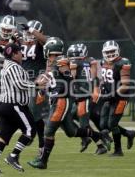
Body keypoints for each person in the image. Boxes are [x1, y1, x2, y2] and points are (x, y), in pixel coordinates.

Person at [28, 37, 111, 170]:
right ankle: (100, 135)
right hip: (58, 100)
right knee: (71, 132)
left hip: (62, 100)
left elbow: (69, 76)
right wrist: (41, 85)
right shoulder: (53, 62)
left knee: (48, 131)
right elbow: (49, 77)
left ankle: (43, 161)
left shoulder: (61, 62)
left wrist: (57, 80)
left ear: (49, 50)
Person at [0, 43, 47, 173]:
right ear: (14, 54)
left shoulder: (10, 65)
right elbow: (19, 84)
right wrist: (37, 84)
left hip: (5, 105)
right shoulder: (13, 67)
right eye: (19, 51)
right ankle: (13, 156)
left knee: (4, 135)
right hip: (14, 105)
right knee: (30, 130)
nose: (22, 54)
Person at [67, 43, 108, 155]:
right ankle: (89, 139)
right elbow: (94, 75)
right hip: (84, 95)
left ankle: (100, 141)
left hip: (84, 96)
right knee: (69, 116)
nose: (73, 57)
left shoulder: (76, 63)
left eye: (74, 55)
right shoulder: (90, 61)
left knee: (84, 124)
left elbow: (72, 76)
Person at [18, 20, 49, 164]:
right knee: (22, 110)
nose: (28, 35)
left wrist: (32, 30)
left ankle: (41, 143)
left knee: (34, 111)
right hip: (23, 81)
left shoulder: (43, 43)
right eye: (27, 33)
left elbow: (46, 40)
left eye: (31, 33)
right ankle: (32, 133)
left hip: (38, 81)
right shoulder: (21, 43)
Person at [99, 40, 135, 156]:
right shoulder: (103, 62)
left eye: (112, 51)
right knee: (103, 124)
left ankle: (118, 150)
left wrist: (111, 94)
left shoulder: (123, 63)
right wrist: (102, 87)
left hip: (121, 97)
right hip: (110, 96)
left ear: (117, 51)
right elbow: (104, 80)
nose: (110, 54)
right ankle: (128, 134)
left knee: (112, 124)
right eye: (108, 52)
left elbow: (125, 86)